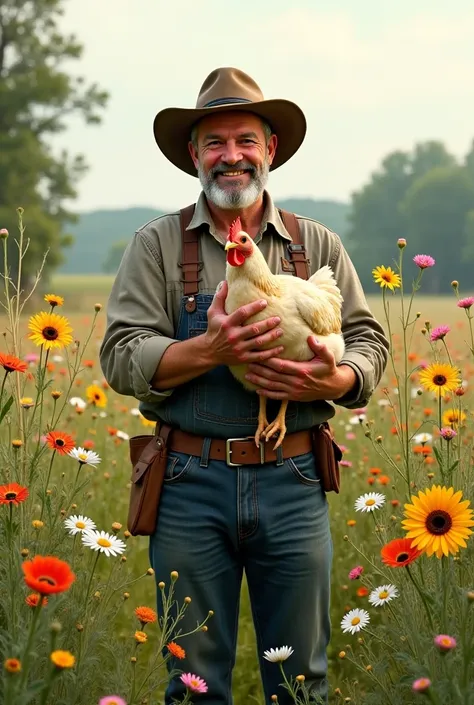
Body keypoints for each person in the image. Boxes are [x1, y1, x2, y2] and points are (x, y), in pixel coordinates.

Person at [99, 67, 389, 704]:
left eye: (246, 140)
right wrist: (212, 348)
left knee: (300, 683)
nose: (231, 156)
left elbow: (369, 343)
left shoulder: (316, 245)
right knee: (195, 684)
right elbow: (120, 356)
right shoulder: (156, 245)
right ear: (194, 155)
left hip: (294, 482)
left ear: (270, 149)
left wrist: (333, 377)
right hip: (187, 483)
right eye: (215, 143)